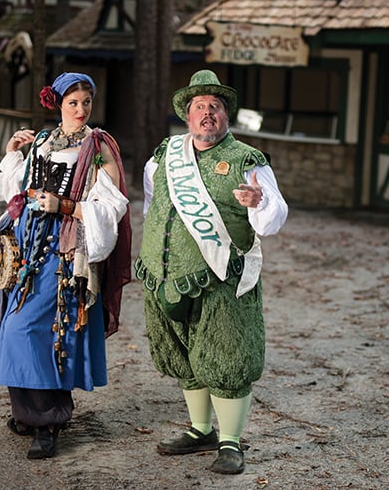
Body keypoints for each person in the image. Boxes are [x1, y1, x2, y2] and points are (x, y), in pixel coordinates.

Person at [135, 69, 288, 475]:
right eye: (199, 107)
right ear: (187, 116)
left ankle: (230, 442)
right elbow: (152, 206)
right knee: (185, 355)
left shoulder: (246, 160)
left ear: (226, 115)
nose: (207, 114)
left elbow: (275, 215)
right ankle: (200, 430)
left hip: (221, 279)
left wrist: (257, 201)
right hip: (165, 276)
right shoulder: (165, 155)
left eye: (215, 107)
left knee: (226, 358)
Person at [0, 72, 132, 459]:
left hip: (65, 248)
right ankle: (27, 411)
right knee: (11, 324)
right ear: (58, 104)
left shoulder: (98, 146)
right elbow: (16, 191)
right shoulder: (44, 141)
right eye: (73, 103)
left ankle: (48, 421)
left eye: (86, 103)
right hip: (26, 244)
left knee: (44, 328)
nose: (81, 110)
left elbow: (111, 206)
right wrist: (16, 152)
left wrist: (64, 205)